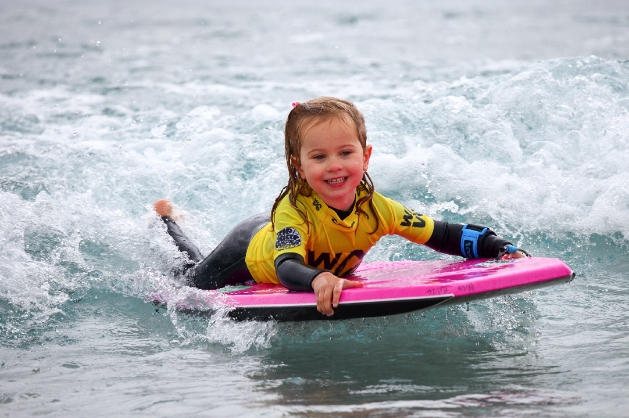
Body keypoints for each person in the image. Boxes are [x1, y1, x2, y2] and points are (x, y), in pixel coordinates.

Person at [154, 97, 526, 317]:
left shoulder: (379, 209)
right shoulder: (293, 210)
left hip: (273, 240)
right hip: (249, 250)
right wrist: (318, 278)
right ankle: (165, 221)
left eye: (345, 153)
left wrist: (498, 248)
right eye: (319, 156)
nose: (334, 165)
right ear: (298, 165)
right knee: (188, 281)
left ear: (365, 156)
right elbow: (286, 267)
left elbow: (443, 234)